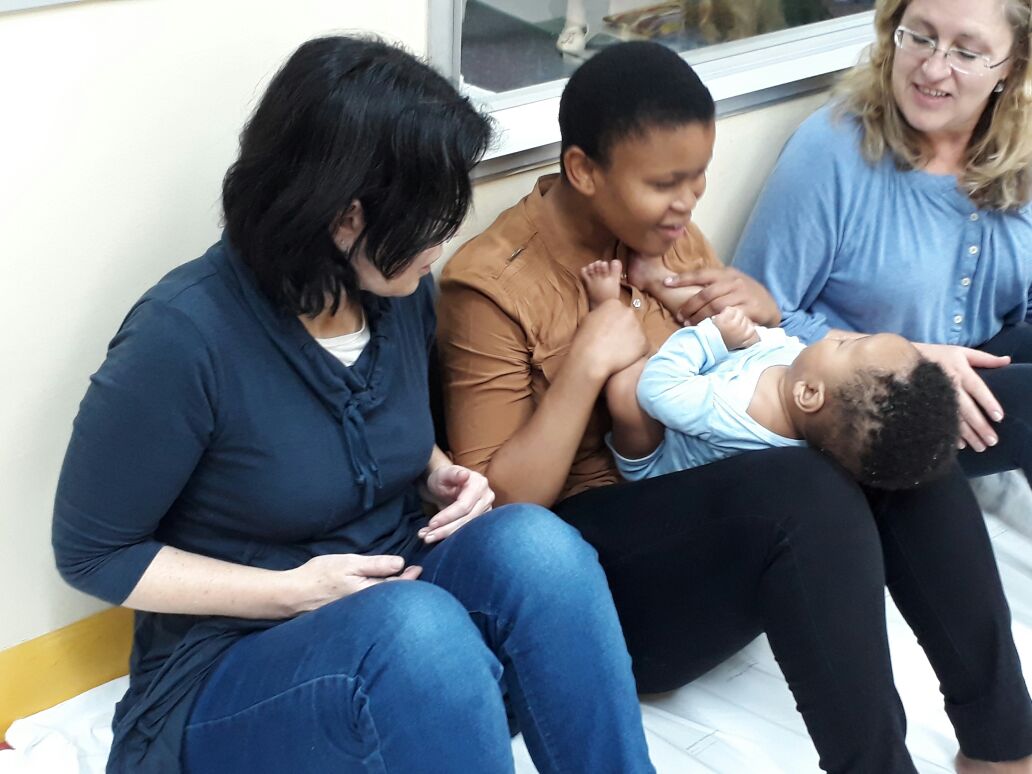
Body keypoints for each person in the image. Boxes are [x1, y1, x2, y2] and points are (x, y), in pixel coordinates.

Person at [51, 36, 655, 774]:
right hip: (228, 666)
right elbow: (92, 554)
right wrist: (290, 593)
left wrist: (433, 469)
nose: (447, 238)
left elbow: (360, 430)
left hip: (388, 600)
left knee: (538, 546)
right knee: (419, 631)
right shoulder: (183, 337)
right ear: (345, 218)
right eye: (432, 216)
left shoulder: (398, 293)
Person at [437, 39, 1032, 773]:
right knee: (806, 488)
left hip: (715, 525)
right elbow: (493, 520)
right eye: (665, 184)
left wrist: (767, 314)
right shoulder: (490, 287)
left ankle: (1003, 745)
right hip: (604, 589)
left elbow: (753, 385)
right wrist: (587, 364)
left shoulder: (666, 232)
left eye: (699, 179)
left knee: (894, 430)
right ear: (584, 170)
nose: (688, 205)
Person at [732, 0, 1032, 500]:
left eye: (966, 51)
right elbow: (755, 323)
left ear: (1012, 65)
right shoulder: (830, 150)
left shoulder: (1020, 154)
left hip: (966, 379)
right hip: (861, 412)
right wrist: (912, 358)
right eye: (920, 36)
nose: (933, 68)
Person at [578, 258, 959, 490]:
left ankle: (606, 310)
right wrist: (737, 332)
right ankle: (657, 279)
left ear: (809, 395)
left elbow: (656, 390)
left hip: (659, 459)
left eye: (845, 345)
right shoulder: (804, 377)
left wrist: (712, 339)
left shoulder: (734, 411)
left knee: (629, 388)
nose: (837, 339)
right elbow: (770, 342)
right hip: (705, 387)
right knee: (734, 323)